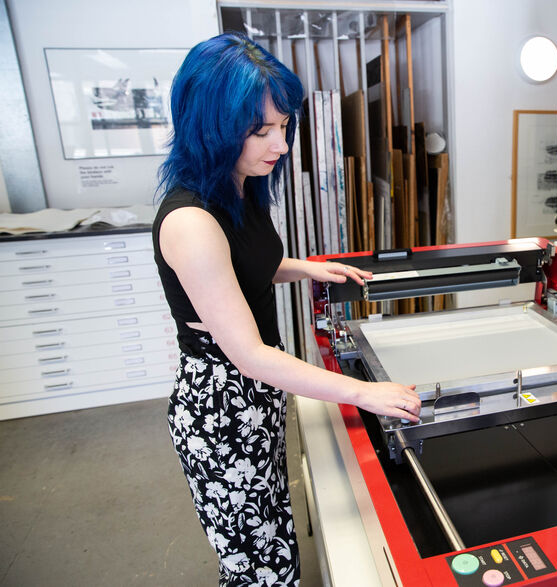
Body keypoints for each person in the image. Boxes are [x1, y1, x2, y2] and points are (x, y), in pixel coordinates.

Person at [152, 32, 421, 586]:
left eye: (283, 126)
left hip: (255, 399)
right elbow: (248, 355)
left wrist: (305, 268)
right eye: (261, 130)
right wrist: (365, 392)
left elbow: (246, 267)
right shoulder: (190, 222)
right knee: (260, 570)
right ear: (212, 124)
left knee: (278, 542)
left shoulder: (237, 186)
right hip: (222, 412)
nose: (280, 145)